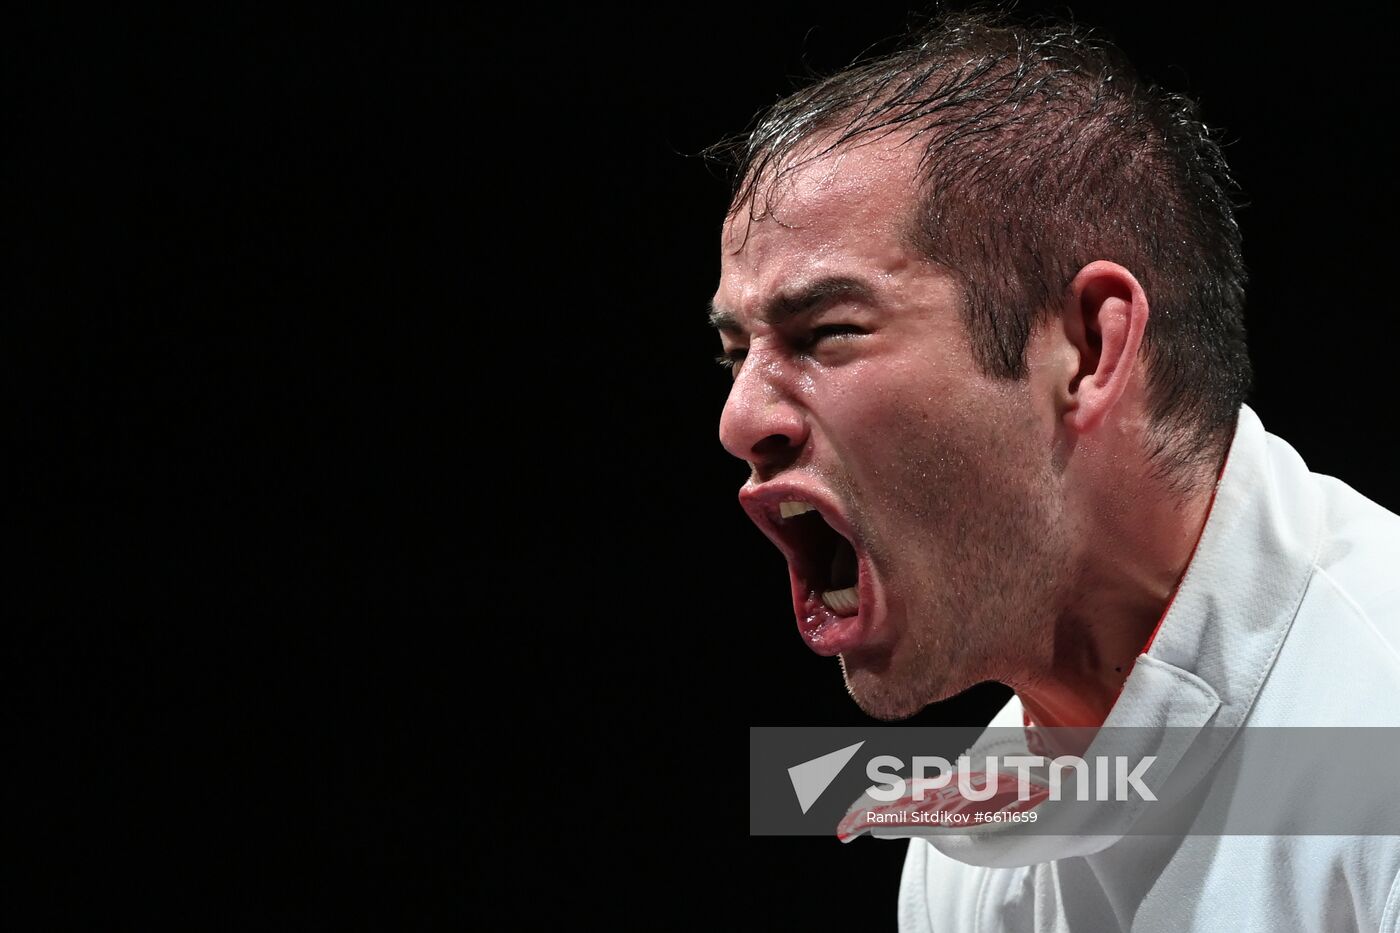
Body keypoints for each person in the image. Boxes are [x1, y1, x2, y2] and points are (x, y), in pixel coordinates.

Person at [709, 10, 1400, 931]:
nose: (740, 419)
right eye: (734, 353)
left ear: (1086, 349)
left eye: (826, 332)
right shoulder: (959, 866)